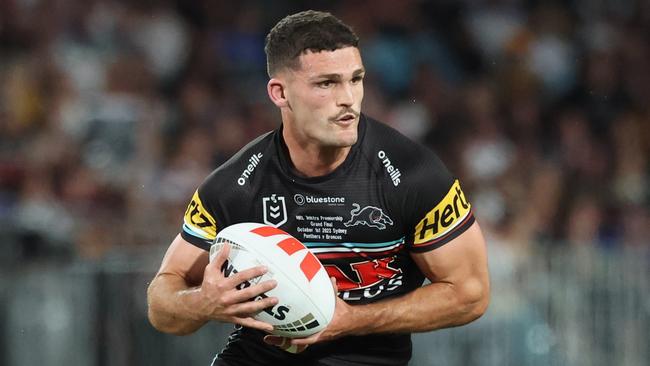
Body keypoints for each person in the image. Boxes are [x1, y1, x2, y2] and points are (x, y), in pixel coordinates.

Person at [147, 10, 490, 366]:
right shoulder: (236, 185)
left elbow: (470, 294)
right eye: (326, 83)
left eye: (355, 80)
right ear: (279, 93)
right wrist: (204, 300)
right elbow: (161, 304)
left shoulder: (412, 174)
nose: (349, 99)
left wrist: (352, 321)